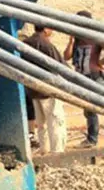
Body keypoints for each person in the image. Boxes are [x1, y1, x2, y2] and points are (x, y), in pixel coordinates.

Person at [63, 10, 103, 148]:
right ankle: (92, 139)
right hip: (81, 78)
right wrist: (70, 41)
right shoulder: (77, 39)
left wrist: (100, 63)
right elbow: (66, 56)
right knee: (88, 110)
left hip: (94, 77)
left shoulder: (95, 37)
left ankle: (92, 139)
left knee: (93, 107)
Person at [24, 25, 67, 154]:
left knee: (41, 124)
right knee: (54, 122)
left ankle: (44, 150)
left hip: (33, 90)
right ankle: (57, 153)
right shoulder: (46, 44)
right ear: (46, 29)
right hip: (48, 90)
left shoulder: (26, 43)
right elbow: (60, 67)